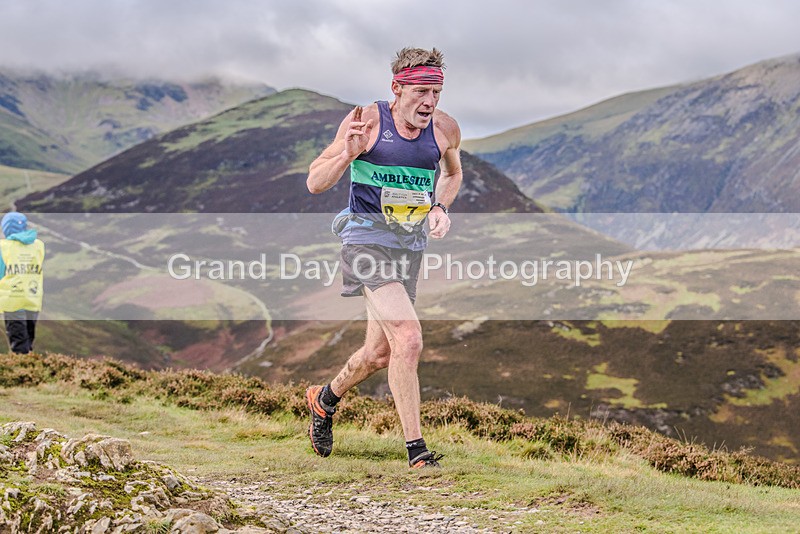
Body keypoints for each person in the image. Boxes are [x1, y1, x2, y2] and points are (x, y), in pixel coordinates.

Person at [305, 47, 463, 468]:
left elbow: (452, 174)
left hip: (408, 249)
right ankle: (418, 453)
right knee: (409, 339)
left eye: (437, 92)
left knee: (379, 355)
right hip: (365, 244)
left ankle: (323, 401)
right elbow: (315, 183)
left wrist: (440, 208)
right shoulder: (367, 120)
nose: (430, 102)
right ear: (397, 88)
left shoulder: (445, 129)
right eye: (421, 92)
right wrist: (346, 155)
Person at [0, 212, 45, 354]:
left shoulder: (3, 248)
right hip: (33, 299)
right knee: (28, 339)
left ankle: (22, 372)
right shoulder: (38, 245)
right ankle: (29, 369)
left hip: (12, 301)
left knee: (18, 342)